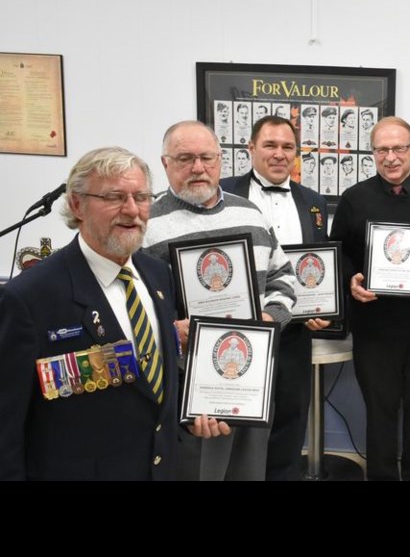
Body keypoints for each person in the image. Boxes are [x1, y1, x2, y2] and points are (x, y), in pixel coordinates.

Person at [0, 147, 228, 480]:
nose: (132, 210)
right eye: (114, 197)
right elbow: (6, 427)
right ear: (77, 205)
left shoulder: (159, 276)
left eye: (141, 197)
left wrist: (189, 414)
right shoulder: (29, 297)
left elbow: (151, 383)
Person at [143, 121, 298, 481]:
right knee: (197, 472)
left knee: (248, 472)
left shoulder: (250, 214)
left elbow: (284, 278)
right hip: (186, 382)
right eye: (185, 158)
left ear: (221, 160)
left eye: (206, 158)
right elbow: (132, 303)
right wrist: (169, 330)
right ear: (165, 164)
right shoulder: (146, 224)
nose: (198, 168)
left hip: (253, 374)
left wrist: (268, 318)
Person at [330, 116, 410, 481]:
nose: (390, 157)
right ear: (373, 153)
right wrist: (350, 278)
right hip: (374, 331)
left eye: (398, 148)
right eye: (382, 149)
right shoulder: (354, 199)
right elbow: (337, 251)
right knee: (380, 415)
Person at [221, 115, 330, 480]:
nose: (279, 154)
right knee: (233, 429)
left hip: (292, 334)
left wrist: (319, 308)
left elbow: (316, 267)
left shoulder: (313, 202)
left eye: (287, 147)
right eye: (270, 145)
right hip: (234, 332)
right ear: (250, 149)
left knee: (288, 425)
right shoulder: (223, 194)